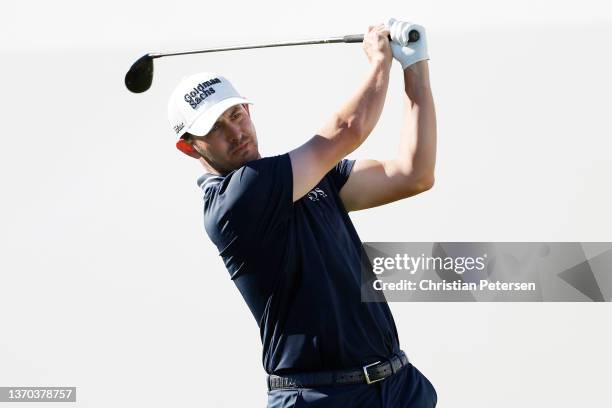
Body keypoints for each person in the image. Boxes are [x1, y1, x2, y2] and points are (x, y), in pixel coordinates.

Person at [167, 18, 437, 408]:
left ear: (247, 109)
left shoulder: (309, 177)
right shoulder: (236, 200)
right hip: (320, 397)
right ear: (190, 147)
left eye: (236, 115)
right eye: (215, 128)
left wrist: (416, 66)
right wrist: (379, 62)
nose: (236, 132)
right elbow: (348, 129)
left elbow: (414, 174)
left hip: (397, 386)